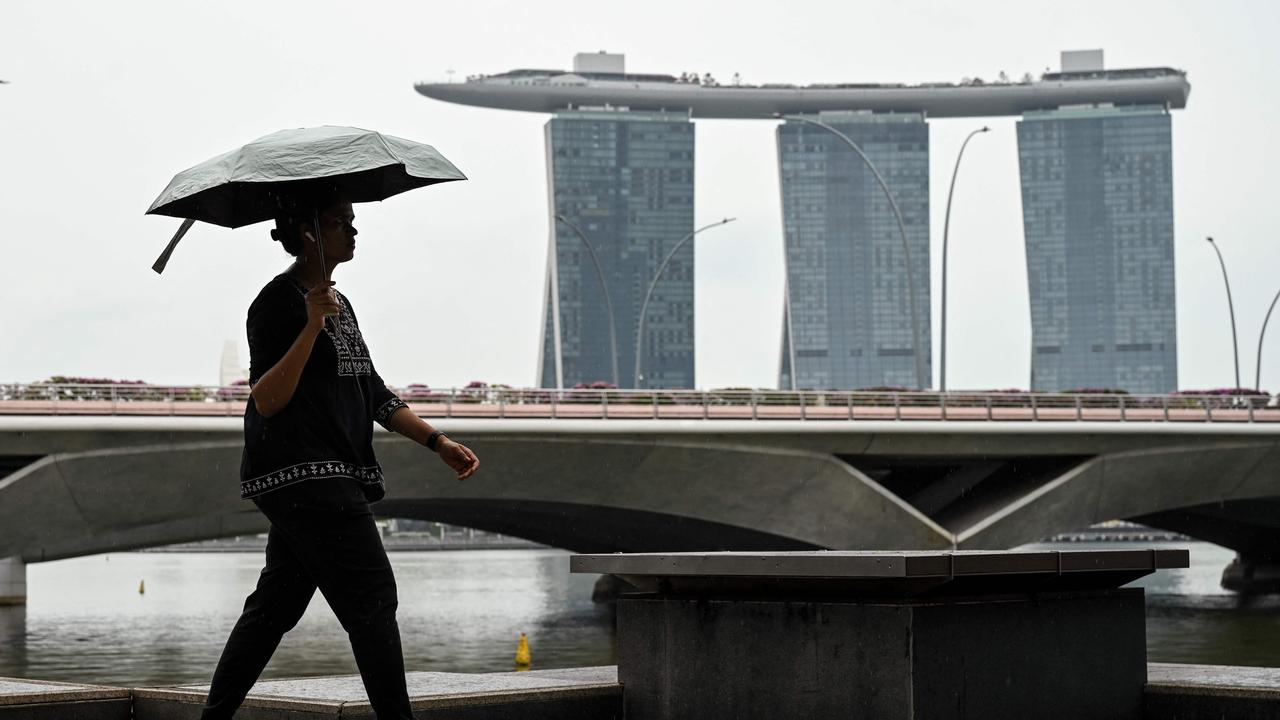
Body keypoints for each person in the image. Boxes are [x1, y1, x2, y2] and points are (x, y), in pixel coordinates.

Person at [200, 186, 479, 720]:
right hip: (304, 476)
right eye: (340, 222)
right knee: (373, 599)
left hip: (328, 476)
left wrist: (437, 442)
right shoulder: (275, 303)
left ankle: (214, 717)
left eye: (351, 221)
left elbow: (369, 389)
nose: (353, 231)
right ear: (308, 233)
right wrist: (310, 325)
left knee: (274, 607)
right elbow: (268, 397)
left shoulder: (341, 305)